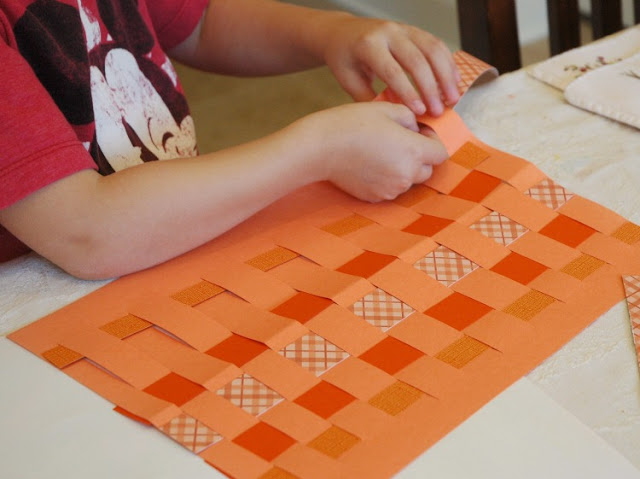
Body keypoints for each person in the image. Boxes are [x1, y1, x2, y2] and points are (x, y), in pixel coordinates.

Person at [0, 0, 460, 280]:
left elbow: (198, 24)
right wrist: (318, 150)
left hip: (173, 245)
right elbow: (86, 230)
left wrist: (331, 32)